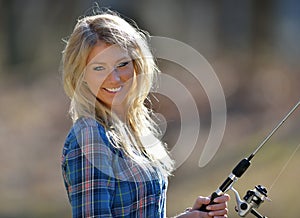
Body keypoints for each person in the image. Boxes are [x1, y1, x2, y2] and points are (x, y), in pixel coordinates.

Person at [61, 9, 229, 218]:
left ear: (137, 64)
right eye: (99, 68)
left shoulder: (133, 130)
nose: (114, 78)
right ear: (81, 75)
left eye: (122, 64)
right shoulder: (90, 134)